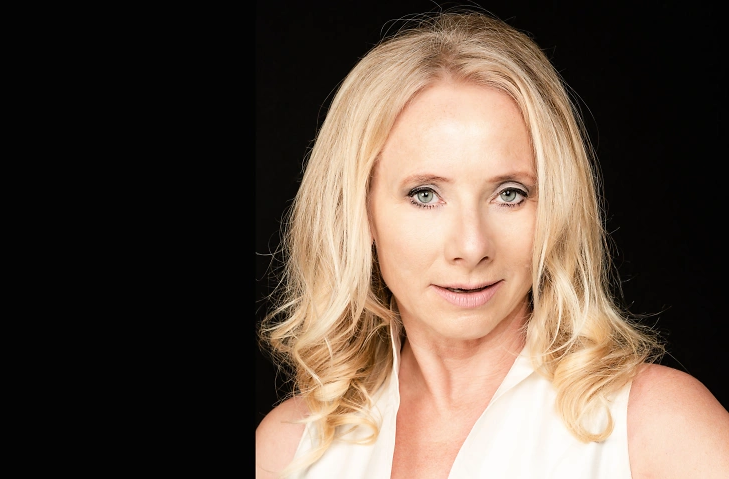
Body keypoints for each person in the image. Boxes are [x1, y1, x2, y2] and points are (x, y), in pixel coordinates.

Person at [255, 9, 729, 479]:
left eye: (510, 194)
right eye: (425, 194)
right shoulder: (287, 450)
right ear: (360, 211)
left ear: (557, 207)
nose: (471, 246)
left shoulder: (658, 427)